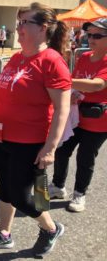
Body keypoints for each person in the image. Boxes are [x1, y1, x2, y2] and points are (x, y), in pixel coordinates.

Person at [0, 2, 71, 257]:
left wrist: (50, 148)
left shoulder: (52, 62)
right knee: (5, 189)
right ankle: (4, 234)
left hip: (29, 142)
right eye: (18, 23)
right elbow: (1, 93)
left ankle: (50, 228)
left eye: (24, 23)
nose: (18, 28)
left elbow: (62, 110)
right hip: (1, 136)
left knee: (21, 196)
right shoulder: (17, 58)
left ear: (43, 28)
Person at [49, 18, 107, 213]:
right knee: (62, 149)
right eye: (89, 35)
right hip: (77, 118)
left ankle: (80, 194)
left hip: (98, 121)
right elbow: (77, 82)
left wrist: (65, 81)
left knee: (85, 158)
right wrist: (72, 92)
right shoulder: (84, 57)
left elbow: (99, 84)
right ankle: (58, 186)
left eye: (97, 35)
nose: (91, 39)